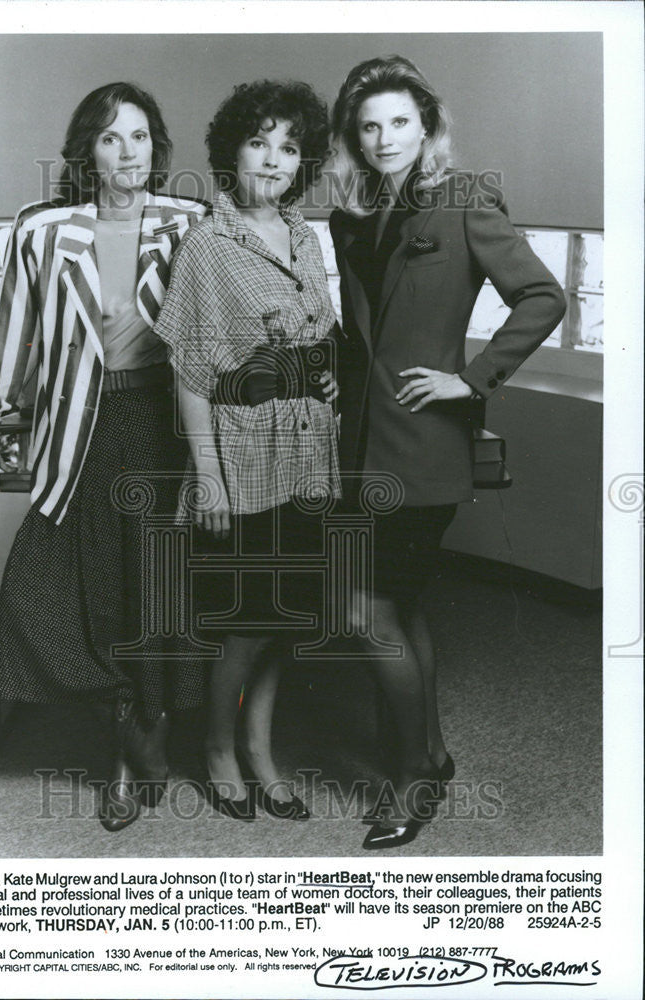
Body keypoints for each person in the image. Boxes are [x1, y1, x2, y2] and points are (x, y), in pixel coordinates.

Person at [328, 55, 566, 848]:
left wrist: (472, 380)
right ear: (352, 139)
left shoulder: (464, 200)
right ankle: (429, 754)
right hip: (356, 447)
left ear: (426, 125)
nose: (383, 138)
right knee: (399, 606)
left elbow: (542, 295)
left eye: (398, 121)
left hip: (423, 447)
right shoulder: (351, 216)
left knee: (366, 613)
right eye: (367, 126)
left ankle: (409, 783)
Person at [0, 81, 207, 832]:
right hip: (82, 433)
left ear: (156, 147)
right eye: (110, 138)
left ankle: (143, 741)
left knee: (157, 592)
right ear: (87, 152)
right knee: (55, 590)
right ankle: (129, 729)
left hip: (166, 430)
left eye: (138, 136)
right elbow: (15, 337)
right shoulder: (42, 231)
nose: (126, 152)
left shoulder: (193, 225)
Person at [154, 80, 340, 821]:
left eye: (289, 146)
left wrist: (323, 382)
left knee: (287, 615)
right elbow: (191, 372)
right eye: (258, 140)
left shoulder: (304, 234)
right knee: (244, 621)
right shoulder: (207, 243)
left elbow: (319, 335)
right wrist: (209, 481)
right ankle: (219, 745)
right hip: (241, 456)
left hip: (308, 454)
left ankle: (261, 749)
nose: (272, 158)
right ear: (232, 149)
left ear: (304, 162)